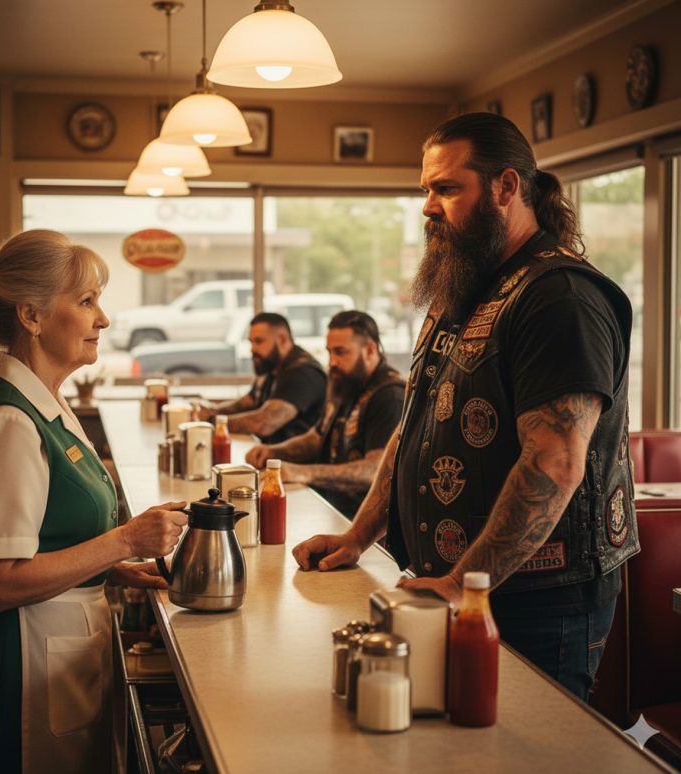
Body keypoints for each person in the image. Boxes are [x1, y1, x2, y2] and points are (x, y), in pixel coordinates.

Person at [293, 112, 638, 702]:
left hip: (535, 601)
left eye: (447, 188)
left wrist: (462, 584)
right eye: (426, 189)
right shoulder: (463, 288)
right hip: (458, 589)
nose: (428, 206)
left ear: (506, 188)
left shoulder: (560, 298)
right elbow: (412, 431)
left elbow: (554, 462)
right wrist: (357, 535)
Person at [0, 229, 188, 773]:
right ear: (32, 315)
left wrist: (117, 568)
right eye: (87, 301)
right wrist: (126, 538)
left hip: (58, 652)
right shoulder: (10, 424)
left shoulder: (46, 404)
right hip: (18, 662)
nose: (104, 318)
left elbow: (51, 534)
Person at [245, 310, 405, 518]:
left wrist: (302, 472)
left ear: (370, 350)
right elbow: (318, 437)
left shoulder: (390, 395)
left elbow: (375, 470)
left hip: (363, 525)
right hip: (329, 508)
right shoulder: (347, 382)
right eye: (329, 352)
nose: (332, 362)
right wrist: (273, 452)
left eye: (340, 352)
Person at [197, 312, 326, 444]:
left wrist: (210, 422)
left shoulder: (302, 373)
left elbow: (264, 423)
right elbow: (246, 403)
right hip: (268, 453)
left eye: (259, 341)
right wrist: (212, 410)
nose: (253, 349)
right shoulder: (271, 367)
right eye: (251, 342)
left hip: (291, 461)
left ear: (282, 339)